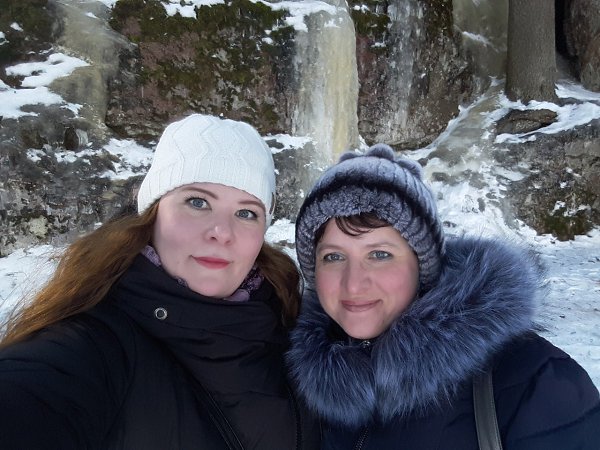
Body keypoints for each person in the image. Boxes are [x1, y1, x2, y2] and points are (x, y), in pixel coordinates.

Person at [0, 114, 320, 449]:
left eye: (246, 213)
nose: (222, 232)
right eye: (197, 202)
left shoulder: (293, 329)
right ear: (153, 214)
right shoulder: (96, 343)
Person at [286, 143, 600, 449]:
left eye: (380, 254)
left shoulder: (535, 382)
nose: (353, 284)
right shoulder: (304, 389)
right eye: (333, 257)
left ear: (422, 265)